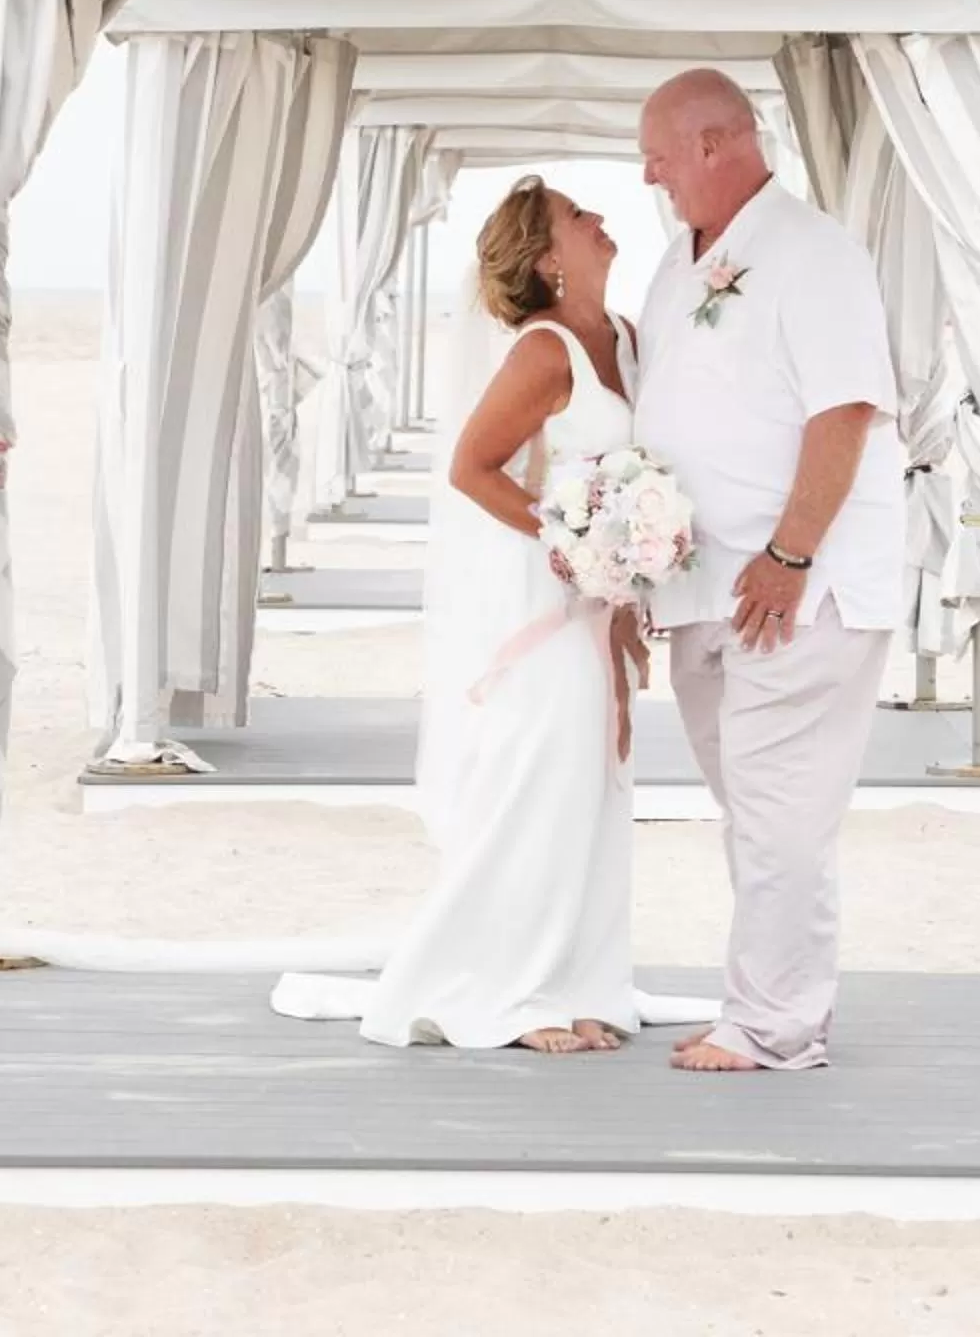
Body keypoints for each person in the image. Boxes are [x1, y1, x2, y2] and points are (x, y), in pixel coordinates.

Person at [273, 176, 646, 1054]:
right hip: (551, 603)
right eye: (578, 215)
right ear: (551, 257)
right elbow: (474, 469)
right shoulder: (543, 351)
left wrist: (632, 571)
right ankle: (510, 990)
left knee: (599, 793)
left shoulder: (626, 338)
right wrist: (569, 541)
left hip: (609, 603)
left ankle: (580, 981)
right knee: (542, 790)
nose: (600, 218)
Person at [633, 68, 902, 1073]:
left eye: (659, 152)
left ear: (714, 144)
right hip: (707, 589)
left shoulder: (813, 255)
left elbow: (844, 410)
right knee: (752, 805)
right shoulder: (678, 258)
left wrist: (790, 552)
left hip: (799, 587)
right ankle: (769, 1001)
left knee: (781, 804)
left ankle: (774, 1024)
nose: (648, 170)